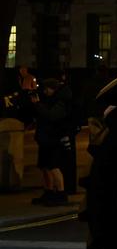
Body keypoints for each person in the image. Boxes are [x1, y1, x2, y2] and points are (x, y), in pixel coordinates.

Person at [30, 78, 73, 207]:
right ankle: (48, 192)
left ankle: (61, 194)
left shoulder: (61, 100)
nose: (44, 91)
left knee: (54, 166)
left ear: (53, 88)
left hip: (53, 138)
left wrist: (38, 105)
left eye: (46, 89)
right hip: (45, 137)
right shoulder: (50, 99)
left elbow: (52, 116)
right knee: (45, 167)